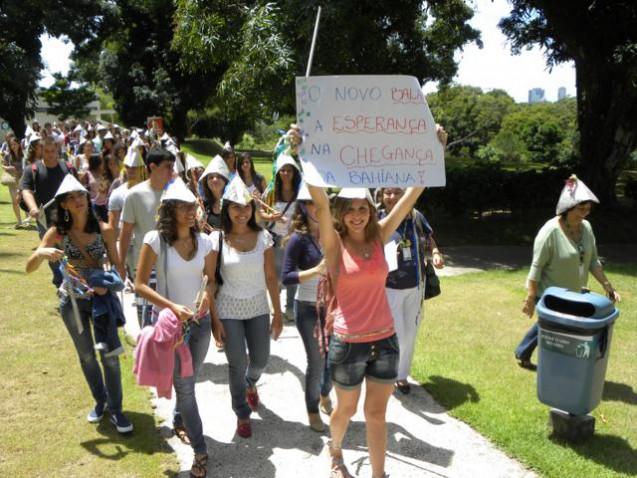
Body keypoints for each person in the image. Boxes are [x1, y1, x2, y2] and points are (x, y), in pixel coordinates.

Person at [307, 183, 427, 478]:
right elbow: (321, 204)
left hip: (385, 340)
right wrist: (305, 157)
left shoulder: (380, 235)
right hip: (349, 344)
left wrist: (433, 153)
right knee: (346, 411)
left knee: (376, 414)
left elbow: (410, 197)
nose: (357, 215)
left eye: (363, 208)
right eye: (350, 210)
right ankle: (335, 449)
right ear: (341, 214)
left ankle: (379, 474)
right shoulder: (334, 243)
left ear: (371, 211)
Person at [25, 174, 133, 433]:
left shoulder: (104, 230)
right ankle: (101, 402)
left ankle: (117, 410)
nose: (78, 201)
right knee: (86, 356)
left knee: (109, 356)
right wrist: (40, 253)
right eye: (72, 198)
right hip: (71, 302)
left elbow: (120, 269)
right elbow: (29, 268)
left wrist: (106, 283)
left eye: (81, 195)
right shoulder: (57, 233)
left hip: (101, 303)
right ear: (63, 204)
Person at [134, 178, 221, 478]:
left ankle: (179, 419)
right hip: (172, 329)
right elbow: (140, 284)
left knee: (189, 382)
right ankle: (201, 450)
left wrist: (210, 303)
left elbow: (211, 281)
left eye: (191, 206)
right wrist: (171, 306)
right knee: (185, 387)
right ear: (169, 210)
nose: (189, 212)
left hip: (201, 325)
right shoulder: (154, 240)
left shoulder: (207, 242)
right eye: (182, 207)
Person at [515, 175, 621, 369]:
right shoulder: (549, 232)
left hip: (575, 292)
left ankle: (524, 352)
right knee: (553, 326)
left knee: (553, 326)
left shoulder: (586, 228)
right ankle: (534, 356)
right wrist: (530, 298)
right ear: (567, 207)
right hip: (551, 293)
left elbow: (593, 261)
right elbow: (536, 268)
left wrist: (608, 286)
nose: (585, 214)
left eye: (588, 209)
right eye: (581, 209)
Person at [209, 176, 283, 439]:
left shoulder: (264, 237)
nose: (242, 212)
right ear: (226, 209)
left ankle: (250, 383)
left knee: (261, 359)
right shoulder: (215, 239)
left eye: (247, 206)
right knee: (236, 363)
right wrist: (214, 321)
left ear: (253, 209)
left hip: (258, 307)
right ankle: (241, 411)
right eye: (236, 207)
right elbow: (209, 282)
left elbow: (271, 277)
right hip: (228, 309)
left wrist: (278, 313)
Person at [378, 188, 444, 394]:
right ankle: (388, 372)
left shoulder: (416, 217)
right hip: (389, 288)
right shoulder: (377, 219)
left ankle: (401, 376)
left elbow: (429, 237)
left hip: (415, 285)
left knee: (410, 334)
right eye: (387, 193)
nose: (392, 197)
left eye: (397, 193)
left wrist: (434, 252)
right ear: (381, 196)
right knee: (396, 333)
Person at [281, 182, 332, 432]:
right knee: (316, 360)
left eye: (318, 200)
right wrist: (316, 270)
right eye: (310, 202)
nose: (315, 206)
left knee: (333, 359)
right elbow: (286, 277)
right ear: (302, 205)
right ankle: (312, 409)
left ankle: (324, 393)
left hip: (333, 308)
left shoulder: (334, 231)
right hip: (308, 309)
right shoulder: (298, 239)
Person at [119, 148, 175, 327]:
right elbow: (126, 232)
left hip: (174, 263)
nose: (172, 171)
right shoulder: (134, 195)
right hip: (146, 266)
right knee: (148, 321)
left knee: (172, 317)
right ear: (152, 167)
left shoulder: (176, 193)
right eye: (167, 167)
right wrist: (120, 264)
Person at [20, 136, 78, 288]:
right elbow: (26, 191)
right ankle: (60, 281)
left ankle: (72, 282)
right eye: (47, 151)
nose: (50, 154)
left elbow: (78, 192)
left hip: (68, 219)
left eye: (53, 151)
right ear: (41, 150)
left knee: (71, 252)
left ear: (57, 150)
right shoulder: (32, 169)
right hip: (45, 220)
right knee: (51, 252)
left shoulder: (68, 168)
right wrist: (32, 208)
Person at [260, 154, 302, 321]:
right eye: (282, 170)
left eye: (289, 171)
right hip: (276, 239)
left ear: (294, 173)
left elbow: (306, 213)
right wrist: (272, 218)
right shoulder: (271, 192)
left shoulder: (300, 193)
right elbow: (260, 211)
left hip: (294, 239)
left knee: (292, 274)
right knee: (275, 276)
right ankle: (276, 307)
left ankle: (290, 308)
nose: (285, 174)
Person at [199, 155, 230, 231]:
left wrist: (216, 233)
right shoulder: (203, 204)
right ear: (206, 182)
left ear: (225, 181)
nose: (215, 180)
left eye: (219, 177)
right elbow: (199, 228)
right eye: (211, 177)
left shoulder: (233, 203)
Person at [2, 134, 25, 227]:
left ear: (19, 144)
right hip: (13, 180)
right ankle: (19, 221)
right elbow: (3, 166)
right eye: (11, 144)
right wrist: (9, 167)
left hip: (23, 180)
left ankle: (27, 218)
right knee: (14, 201)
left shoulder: (24, 154)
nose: (13, 146)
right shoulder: (8, 156)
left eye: (15, 144)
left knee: (24, 200)